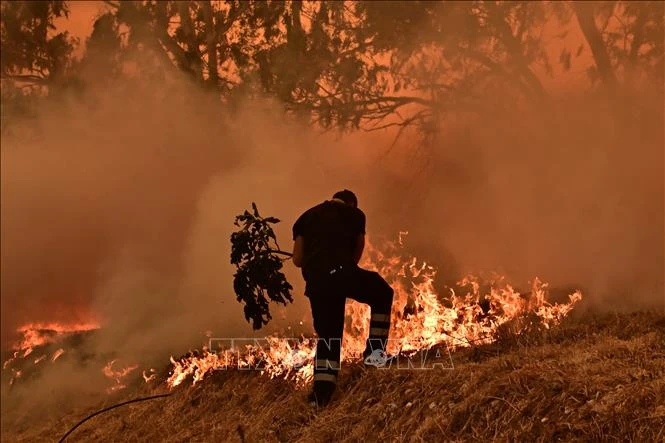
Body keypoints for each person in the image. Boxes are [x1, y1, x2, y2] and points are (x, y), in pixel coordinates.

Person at [291, 190, 394, 407]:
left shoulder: (304, 218)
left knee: (329, 335)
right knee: (383, 293)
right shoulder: (354, 215)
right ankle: (374, 355)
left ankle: (321, 395)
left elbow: (298, 260)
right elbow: (357, 252)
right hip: (342, 272)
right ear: (351, 204)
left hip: (317, 283)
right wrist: (343, 272)